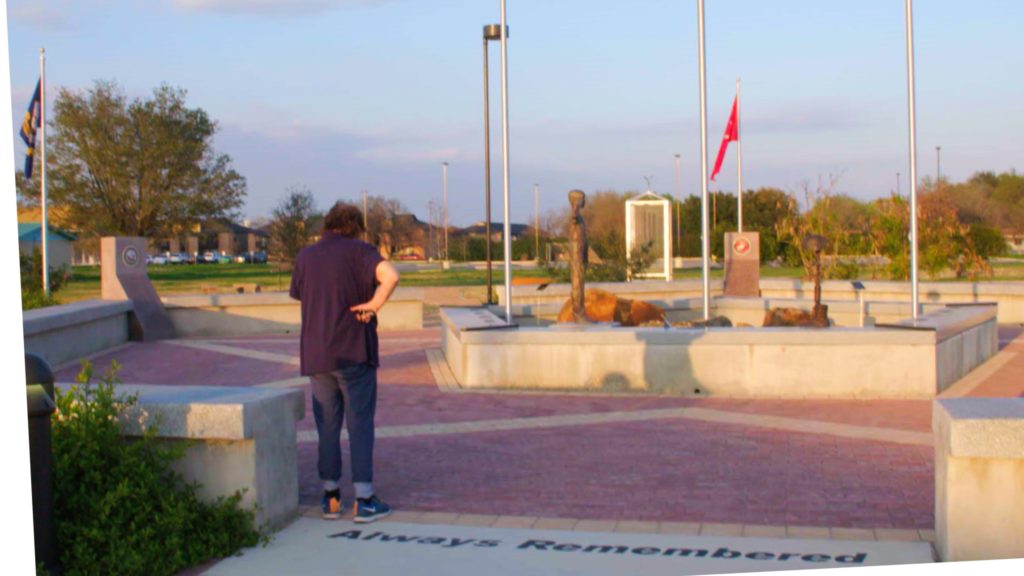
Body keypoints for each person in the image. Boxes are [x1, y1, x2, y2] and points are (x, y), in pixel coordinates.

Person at [289, 201, 400, 523]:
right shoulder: (361, 251)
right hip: (354, 350)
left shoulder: (305, 256)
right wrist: (374, 304)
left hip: (317, 353)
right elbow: (391, 275)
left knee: (327, 425)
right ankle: (364, 499)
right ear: (355, 226)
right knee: (359, 424)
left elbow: (299, 294)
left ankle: (331, 497)